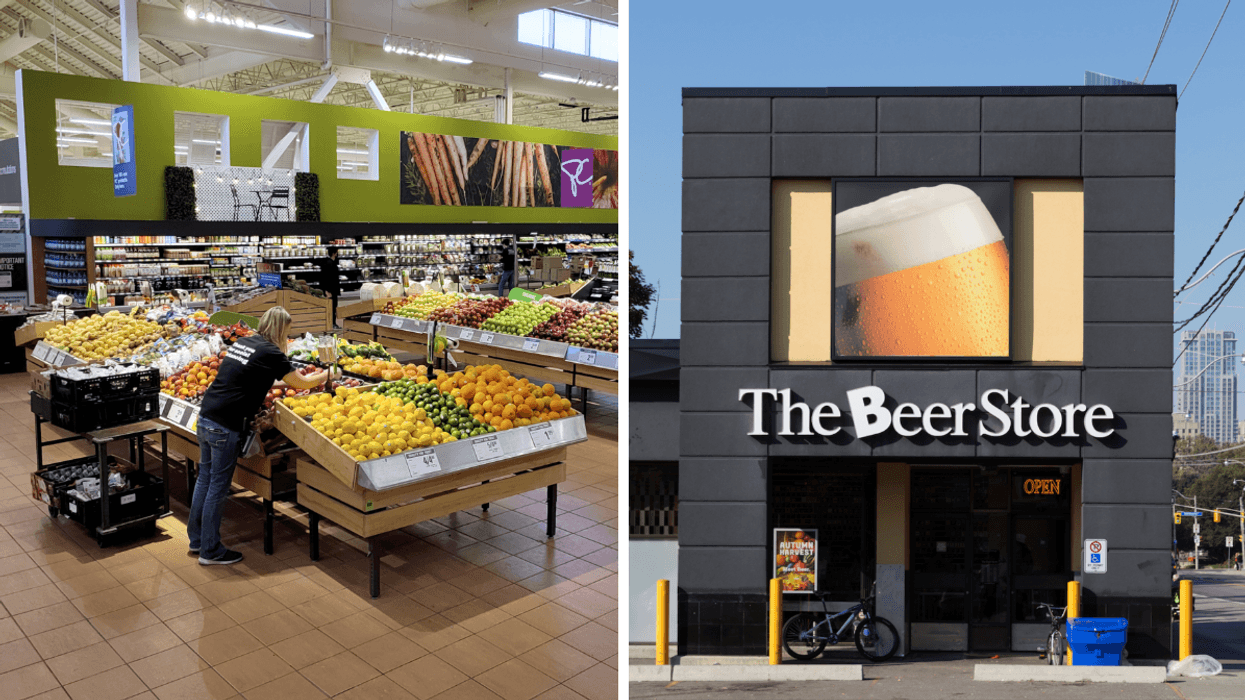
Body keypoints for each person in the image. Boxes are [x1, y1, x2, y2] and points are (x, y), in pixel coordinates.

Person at [189, 307, 327, 565]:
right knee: (217, 487)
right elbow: (300, 383)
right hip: (226, 424)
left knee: (205, 479)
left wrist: (298, 379)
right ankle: (210, 551)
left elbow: (261, 379)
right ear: (281, 330)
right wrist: (328, 375)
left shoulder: (246, 343)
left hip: (207, 416)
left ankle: (197, 540)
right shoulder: (272, 352)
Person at [319, 248, 341, 328]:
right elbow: (327, 278)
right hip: (331, 290)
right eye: (337, 252)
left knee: (331, 307)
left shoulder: (327, 262)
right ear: (334, 253)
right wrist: (327, 290)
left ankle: (331, 323)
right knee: (332, 307)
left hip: (331, 289)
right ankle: (332, 324)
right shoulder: (330, 264)